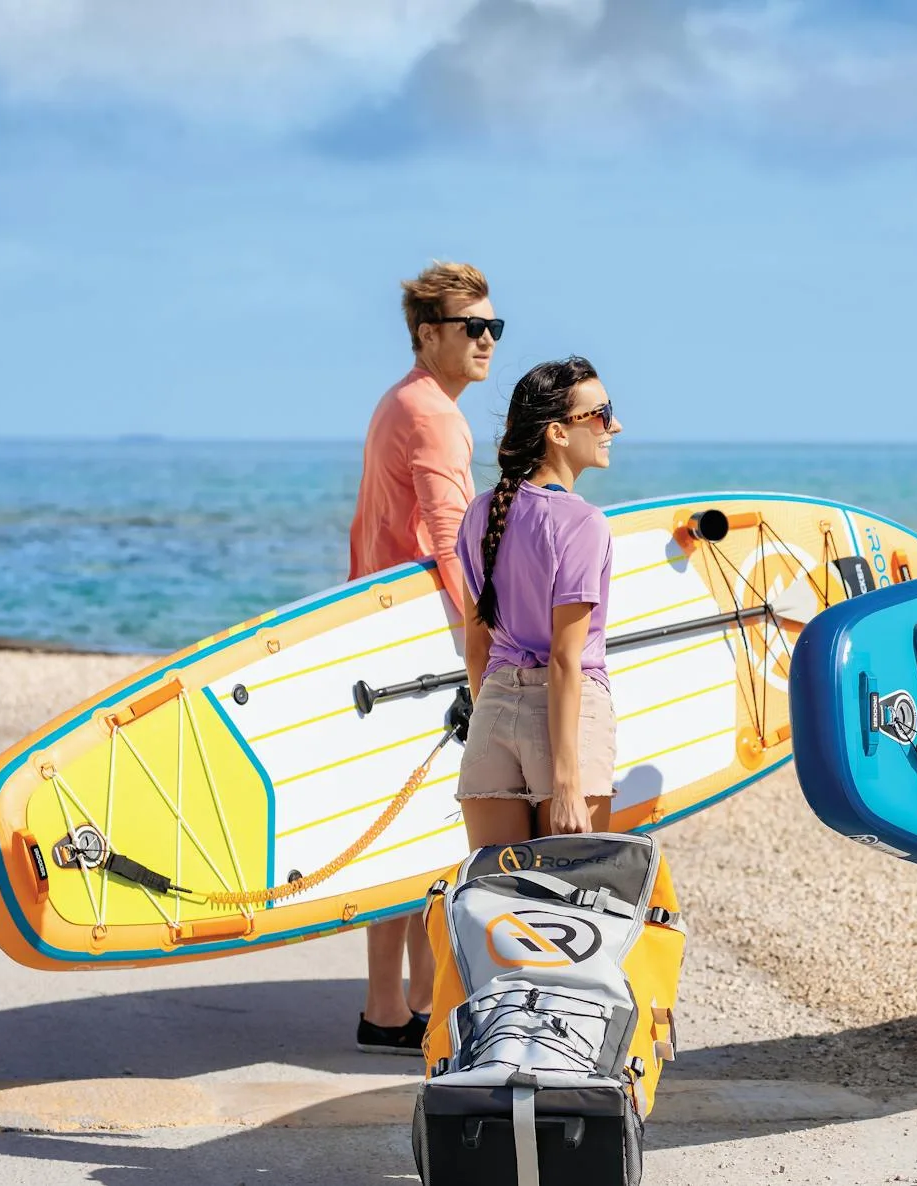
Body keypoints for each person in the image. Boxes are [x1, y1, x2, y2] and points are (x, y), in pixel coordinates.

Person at [347, 261, 499, 1054]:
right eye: (473, 328)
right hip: (417, 642)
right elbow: (449, 540)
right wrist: (488, 643)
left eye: (494, 328)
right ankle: (398, 1004)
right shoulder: (433, 416)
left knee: (407, 822)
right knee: (427, 826)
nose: (487, 341)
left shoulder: (402, 401)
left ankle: (398, 1002)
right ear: (427, 333)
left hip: (385, 632)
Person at [454, 356, 623, 847]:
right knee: (572, 890)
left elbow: (476, 647)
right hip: (566, 721)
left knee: (496, 889)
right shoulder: (582, 522)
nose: (614, 426)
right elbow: (565, 659)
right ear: (558, 432)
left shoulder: (480, 513)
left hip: (494, 712)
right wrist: (567, 784)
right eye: (601, 414)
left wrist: (491, 715)